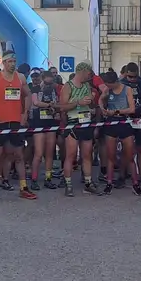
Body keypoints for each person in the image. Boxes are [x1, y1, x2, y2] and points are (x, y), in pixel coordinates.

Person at [0, 51, 37, 202]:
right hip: (0, 123)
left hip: (15, 123)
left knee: (19, 156)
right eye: (9, 61)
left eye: (14, 61)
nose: (12, 64)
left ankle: (23, 188)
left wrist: (25, 113)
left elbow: (28, 95)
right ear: (3, 63)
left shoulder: (20, 77)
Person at [58, 62, 100, 196]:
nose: (89, 76)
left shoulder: (87, 86)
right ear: (82, 72)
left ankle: (88, 183)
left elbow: (91, 105)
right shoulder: (68, 86)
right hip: (73, 122)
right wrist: (78, 103)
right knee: (71, 155)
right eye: (88, 73)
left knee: (87, 155)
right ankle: (68, 184)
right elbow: (62, 107)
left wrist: (91, 101)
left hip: (86, 122)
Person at [99, 70, 141, 196]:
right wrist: (103, 108)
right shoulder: (107, 89)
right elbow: (100, 101)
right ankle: (109, 183)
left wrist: (116, 112)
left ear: (114, 82)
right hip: (111, 123)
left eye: (108, 84)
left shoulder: (127, 89)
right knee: (111, 156)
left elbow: (132, 109)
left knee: (130, 156)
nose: (107, 86)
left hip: (124, 122)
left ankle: (135, 184)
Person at [29, 70, 59, 190]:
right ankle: (34, 179)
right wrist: (48, 105)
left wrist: (54, 108)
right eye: (46, 83)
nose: (48, 85)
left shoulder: (53, 90)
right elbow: (35, 102)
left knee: (49, 153)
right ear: (42, 80)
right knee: (38, 153)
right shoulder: (35, 89)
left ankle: (48, 178)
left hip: (50, 122)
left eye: (50, 83)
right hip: (38, 122)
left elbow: (56, 103)